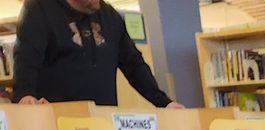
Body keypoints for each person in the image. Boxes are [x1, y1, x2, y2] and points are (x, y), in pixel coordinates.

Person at [13, 0, 181, 108]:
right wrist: (24, 95)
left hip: (104, 123)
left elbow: (134, 65)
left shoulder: (109, 16)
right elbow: (26, 59)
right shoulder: (40, 9)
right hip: (58, 123)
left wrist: (164, 103)